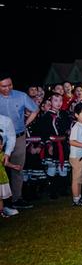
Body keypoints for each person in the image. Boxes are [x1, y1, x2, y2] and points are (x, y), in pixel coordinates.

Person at [0, 72, 39, 209]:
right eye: (4, 86)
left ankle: (17, 198)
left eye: (10, 85)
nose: (8, 88)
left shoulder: (21, 96)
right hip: (1, 139)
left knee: (17, 168)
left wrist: (25, 124)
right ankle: (3, 200)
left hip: (18, 137)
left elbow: (35, 110)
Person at [0, 114, 19, 217]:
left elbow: (11, 138)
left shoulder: (6, 120)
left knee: (4, 179)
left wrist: (7, 154)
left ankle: (6, 206)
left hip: (2, 151)